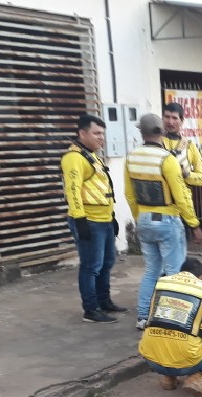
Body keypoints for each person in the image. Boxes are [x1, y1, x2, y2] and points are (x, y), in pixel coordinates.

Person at [125, 113, 202, 330]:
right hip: (168, 219)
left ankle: (143, 317)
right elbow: (180, 195)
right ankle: (171, 319)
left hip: (143, 219)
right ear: (161, 131)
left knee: (151, 270)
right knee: (174, 273)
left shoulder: (131, 157)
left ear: (141, 131)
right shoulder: (166, 159)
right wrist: (194, 224)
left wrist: (139, 217)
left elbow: (129, 194)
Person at [138, 258, 202, 397]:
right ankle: (197, 377)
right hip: (186, 363)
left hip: (152, 360)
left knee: (167, 335)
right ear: (201, 277)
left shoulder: (161, 284)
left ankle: (168, 379)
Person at [61, 113, 124, 324]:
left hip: (103, 219)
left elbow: (100, 188)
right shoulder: (74, 158)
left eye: (103, 134)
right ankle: (90, 309)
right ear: (82, 133)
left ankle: (104, 301)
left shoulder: (92, 155)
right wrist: (80, 221)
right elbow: (73, 190)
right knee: (91, 266)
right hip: (89, 221)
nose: (101, 138)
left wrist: (112, 216)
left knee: (107, 262)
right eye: (96, 133)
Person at [161, 102, 202, 188]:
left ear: (182, 120)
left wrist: (187, 175)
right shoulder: (156, 142)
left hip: (182, 199)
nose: (170, 122)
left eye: (174, 118)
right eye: (167, 117)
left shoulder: (189, 145)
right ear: (162, 118)